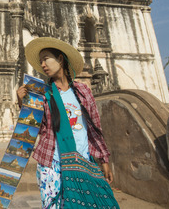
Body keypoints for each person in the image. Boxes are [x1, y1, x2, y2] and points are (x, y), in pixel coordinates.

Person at [17, 37, 119, 209]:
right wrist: (22, 103)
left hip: (83, 160)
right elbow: (37, 127)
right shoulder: (43, 94)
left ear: (60, 59)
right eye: (40, 61)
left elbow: (94, 128)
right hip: (52, 163)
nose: (43, 64)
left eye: (46, 58)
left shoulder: (83, 91)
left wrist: (104, 160)